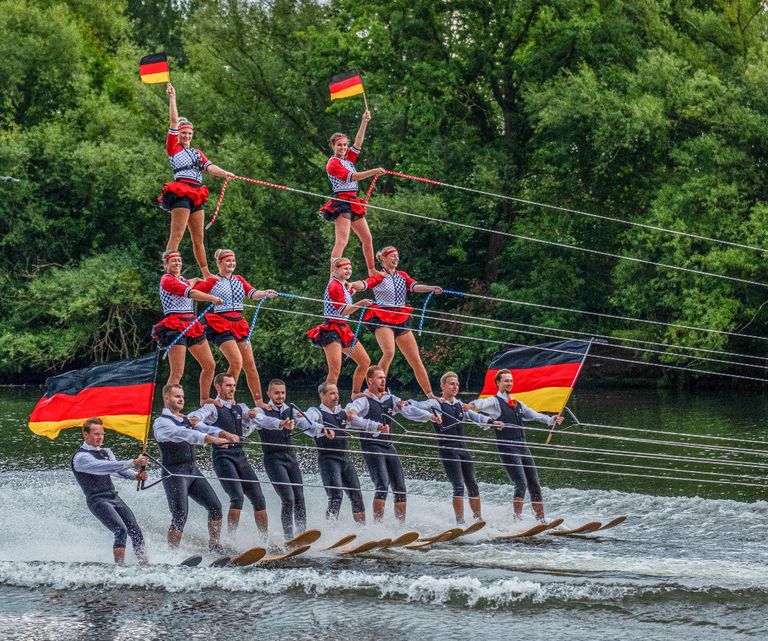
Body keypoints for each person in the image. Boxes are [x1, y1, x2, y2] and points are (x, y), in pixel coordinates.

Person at [158, 83, 235, 279]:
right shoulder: (173, 148)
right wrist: (172, 97)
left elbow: (210, 167)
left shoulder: (196, 153)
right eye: (183, 133)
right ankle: (169, 271)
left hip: (196, 193)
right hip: (181, 192)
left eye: (189, 134)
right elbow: (173, 121)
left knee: (198, 238)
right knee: (177, 235)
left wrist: (225, 173)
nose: (186, 136)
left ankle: (206, 272)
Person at [346, 365, 441, 522]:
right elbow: (352, 413)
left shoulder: (391, 399)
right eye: (379, 378)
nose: (383, 380)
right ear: (370, 381)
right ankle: (378, 526)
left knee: (400, 488)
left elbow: (409, 410)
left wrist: (430, 417)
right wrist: (354, 414)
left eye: (384, 377)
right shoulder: (363, 401)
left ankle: (400, 527)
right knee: (382, 485)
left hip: (388, 446)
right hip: (372, 446)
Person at [467, 369, 564, 521]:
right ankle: (517, 521)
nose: (509, 383)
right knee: (521, 483)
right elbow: (482, 403)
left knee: (534, 483)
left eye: (511, 381)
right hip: (508, 449)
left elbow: (534, 415)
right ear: (498, 383)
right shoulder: (494, 402)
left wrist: (551, 420)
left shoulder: (518, 404)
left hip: (523, 448)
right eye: (506, 381)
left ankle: (541, 520)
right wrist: (471, 405)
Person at [153, 383, 234, 550]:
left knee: (215, 507)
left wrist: (223, 435)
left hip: (192, 471)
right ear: (166, 398)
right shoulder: (161, 423)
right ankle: (172, 554)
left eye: (182, 396)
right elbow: (186, 434)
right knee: (180, 516)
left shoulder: (185, 419)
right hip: (174, 474)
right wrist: (213, 440)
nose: (181, 399)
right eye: (177, 396)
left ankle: (215, 546)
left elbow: (204, 428)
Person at [194, 248, 277, 407]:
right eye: (228, 261)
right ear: (219, 263)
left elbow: (252, 293)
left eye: (233, 261)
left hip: (238, 324)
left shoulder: (239, 279)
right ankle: (225, 399)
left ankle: (259, 401)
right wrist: (205, 292)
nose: (231, 263)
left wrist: (265, 293)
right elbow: (193, 293)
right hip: (220, 323)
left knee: (250, 364)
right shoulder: (212, 281)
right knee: (236, 361)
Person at [188, 373, 268, 538]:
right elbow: (195, 418)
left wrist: (279, 422)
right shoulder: (212, 407)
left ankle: (265, 540)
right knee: (237, 497)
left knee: (259, 498)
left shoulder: (242, 408)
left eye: (233, 385)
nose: (232, 388)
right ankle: (231, 540)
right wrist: (196, 417)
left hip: (240, 455)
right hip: (222, 457)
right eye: (228, 385)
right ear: (218, 387)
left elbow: (261, 419)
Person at [360, 246, 443, 397]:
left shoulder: (402, 276)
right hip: (382, 316)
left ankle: (430, 394)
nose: (396, 258)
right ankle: (376, 391)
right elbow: (364, 284)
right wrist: (351, 286)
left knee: (416, 359)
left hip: (401, 317)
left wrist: (431, 288)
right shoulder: (379, 276)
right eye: (392, 256)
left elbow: (414, 286)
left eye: (397, 256)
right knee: (389, 352)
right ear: (383, 259)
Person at [415, 371, 492, 524]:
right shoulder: (435, 404)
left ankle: (478, 519)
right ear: (442, 386)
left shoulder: (460, 405)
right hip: (447, 450)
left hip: (464, 450)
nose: (455, 387)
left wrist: (491, 422)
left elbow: (477, 417)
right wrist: (419, 406)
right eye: (451, 384)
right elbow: (417, 406)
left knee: (473, 484)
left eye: (457, 384)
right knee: (458, 486)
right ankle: (460, 522)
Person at [71, 418, 149, 564]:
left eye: (102, 434)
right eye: (96, 434)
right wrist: (133, 462)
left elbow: (119, 471)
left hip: (113, 497)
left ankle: (145, 564)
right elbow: (104, 467)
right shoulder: (81, 458)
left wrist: (136, 476)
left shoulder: (106, 452)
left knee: (135, 529)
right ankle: (119, 568)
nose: (100, 437)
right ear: (85, 435)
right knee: (121, 530)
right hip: (97, 500)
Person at [319, 110, 386, 275]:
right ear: (333, 146)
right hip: (342, 202)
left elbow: (358, 143)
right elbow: (352, 177)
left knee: (367, 238)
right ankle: (333, 275)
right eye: (339, 145)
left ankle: (371, 269)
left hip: (354, 201)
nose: (342, 148)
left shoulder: (347, 159)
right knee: (342, 240)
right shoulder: (332, 163)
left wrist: (364, 121)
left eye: (344, 145)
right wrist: (374, 171)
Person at [153, 250, 224, 405]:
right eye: (173, 261)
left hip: (192, 325)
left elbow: (200, 285)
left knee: (210, 365)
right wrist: (212, 298)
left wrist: (216, 277)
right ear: (166, 265)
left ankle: (204, 398)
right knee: (177, 372)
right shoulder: (166, 280)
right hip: (175, 326)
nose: (177, 263)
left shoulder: (184, 280)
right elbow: (191, 293)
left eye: (179, 260)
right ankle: (168, 408)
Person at [300, 382, 370, 523]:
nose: (336, 396)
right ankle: (330, 530)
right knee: (336, 497)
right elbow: (307, 422)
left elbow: (362, 423)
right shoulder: (316, 412)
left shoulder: (343, 413)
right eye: (332, 393)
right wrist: (321, 428)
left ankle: (363, 529)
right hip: (328, 460)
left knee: (357, 496)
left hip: (345, 459)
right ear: (322, 395)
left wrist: (378, 427)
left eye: (337, 393)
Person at [306, 256, 373, 396]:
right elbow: (342, 311)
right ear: (336, 270)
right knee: (335, 369)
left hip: (344, 329)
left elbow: (351, 290)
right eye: (345, 268)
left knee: (365, 361)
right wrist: (361, 303)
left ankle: (355, 393)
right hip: (331, 329)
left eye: (350, 268)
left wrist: (356, 287)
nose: (348, 271)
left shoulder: (344, 285)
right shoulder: (334, 285)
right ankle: (328, 400)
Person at [253, 379, 306, 540]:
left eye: (283, 393)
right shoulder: (260, 411)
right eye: (276, 393)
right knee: (288, 499)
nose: (280, 396)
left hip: (291, 458)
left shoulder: (291, 410)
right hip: (273, 459)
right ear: (268, 393)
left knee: (299, 497)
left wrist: (322, 430)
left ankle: (303, 534)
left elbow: (306, 424)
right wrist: (281, 423)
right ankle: (289, 538)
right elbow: (263, 421)